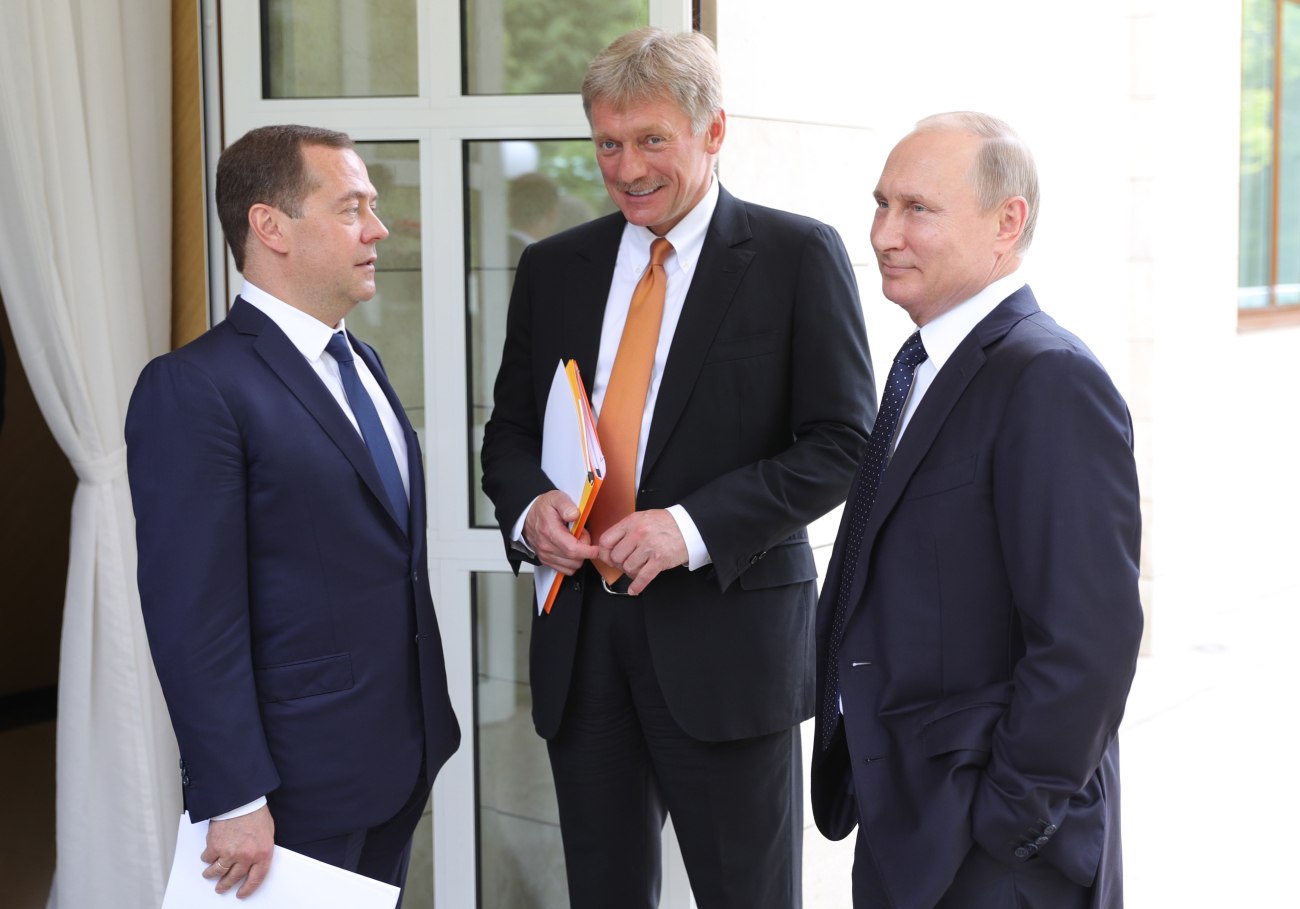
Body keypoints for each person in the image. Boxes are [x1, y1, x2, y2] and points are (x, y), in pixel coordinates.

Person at [480, 27, 875, 909]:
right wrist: (531, 509)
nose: (626, 169)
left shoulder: (797, 256)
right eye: (608, 144)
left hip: (728, 649)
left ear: (714, 130)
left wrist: (688, 529)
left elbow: (844, 443)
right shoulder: (553, 268)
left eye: (651, 140)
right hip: (583, 648)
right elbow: (506, 433)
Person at [811, 111, 1144, 909]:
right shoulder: (923, 362)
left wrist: (1007, 820)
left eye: (917, 209)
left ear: (1007, 222)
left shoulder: (1049, 377)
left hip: (996, 856)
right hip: (908, 827)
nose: (884, 234)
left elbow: (1087, 643)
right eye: (881, 203)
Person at [125, 124, 460, 902]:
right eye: (351, 208)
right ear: (270, 226)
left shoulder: (362, 361)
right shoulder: (193, 387)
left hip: (396, 761)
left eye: (372, 206)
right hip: (290, 790)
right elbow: (191, 615)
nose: (378, 229)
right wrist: (234, 795)